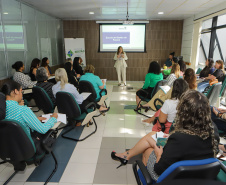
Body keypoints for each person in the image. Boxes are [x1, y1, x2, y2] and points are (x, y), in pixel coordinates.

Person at [112, 90, 218, 182]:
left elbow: (159, 169)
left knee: (148, 150)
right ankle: (127, 155)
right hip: (200, 177)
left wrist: (158, 154)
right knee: (152, 136)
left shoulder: (179, 138)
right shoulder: (212, 131)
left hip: (176, 178)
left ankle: (129, 158)